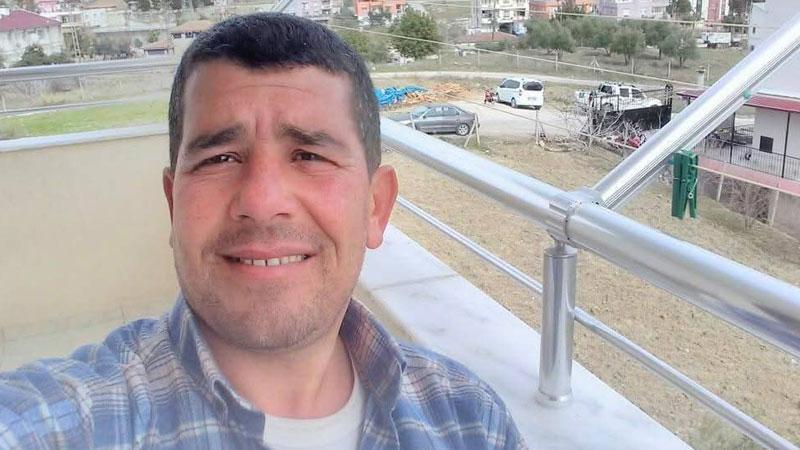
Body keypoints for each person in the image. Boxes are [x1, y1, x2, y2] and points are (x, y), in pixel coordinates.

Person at [0, 13, 525, 449]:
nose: (261, 201)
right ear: (173, 204)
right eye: (220, 157)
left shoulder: (473, 420)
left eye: (309, 155)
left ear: (376, 207)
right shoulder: (61, 420)